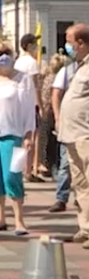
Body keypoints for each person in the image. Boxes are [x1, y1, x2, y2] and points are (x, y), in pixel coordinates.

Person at [0, 42, 36, 235]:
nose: (3, 57)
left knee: (12, 177)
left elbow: (30, 109)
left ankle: (19, 220)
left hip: (15, 135)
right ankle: (0, 217)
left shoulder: (23, 79)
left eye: (6, 53)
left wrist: (29, 134)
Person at [57, 23, 89, 248]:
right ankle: (85, 227)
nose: (66, 46)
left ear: (80, 43)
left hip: (85, 134)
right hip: (71, 134)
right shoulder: (79, 66)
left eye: (69, 41)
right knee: (80, 184)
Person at [16, 34, 46, 181]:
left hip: (18, 103)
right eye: (35, 44)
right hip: (30, 103)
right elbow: (36, 86)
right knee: (32, 137)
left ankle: (17, 169)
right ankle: (28, 171)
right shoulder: (32, 63)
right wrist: (40, 106)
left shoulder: (18, 61)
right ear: (29, 46)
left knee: (19, 138)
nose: (37, 47)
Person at [48, 53, 75, 213]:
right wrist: (57, 118)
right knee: (65, 163)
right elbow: (56, 94)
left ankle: (81, 199)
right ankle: (61, 198)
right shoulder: (67, 71)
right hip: (68, 123)